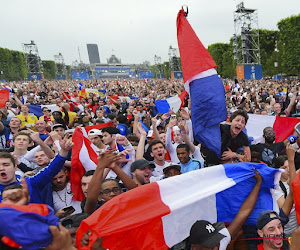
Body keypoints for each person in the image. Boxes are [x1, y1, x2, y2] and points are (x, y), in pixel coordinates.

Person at [189, 170, 262, 250]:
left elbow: (243, 213)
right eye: (210, 246)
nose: (216, 248)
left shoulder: (221, 242)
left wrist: (258, 184)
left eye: (216, 242)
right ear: (194, 247)